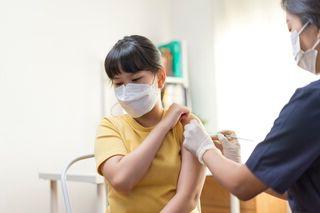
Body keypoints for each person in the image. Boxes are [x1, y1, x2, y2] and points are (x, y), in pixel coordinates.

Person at [183, 0, 320, 212]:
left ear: (315, 28)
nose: (293, 39)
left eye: (291, 29)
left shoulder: (312, 102)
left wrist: (204, 147)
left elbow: (242, 186)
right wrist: (241, 166)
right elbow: (307, 189)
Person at [94, 35, 206, 213]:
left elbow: (188, 198)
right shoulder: (110, 126)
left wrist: (170, 124)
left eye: (136, 79)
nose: (127, 90)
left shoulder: (186, 125)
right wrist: (163, 126)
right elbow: (122, 180)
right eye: (119, 84)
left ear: (160, 77)